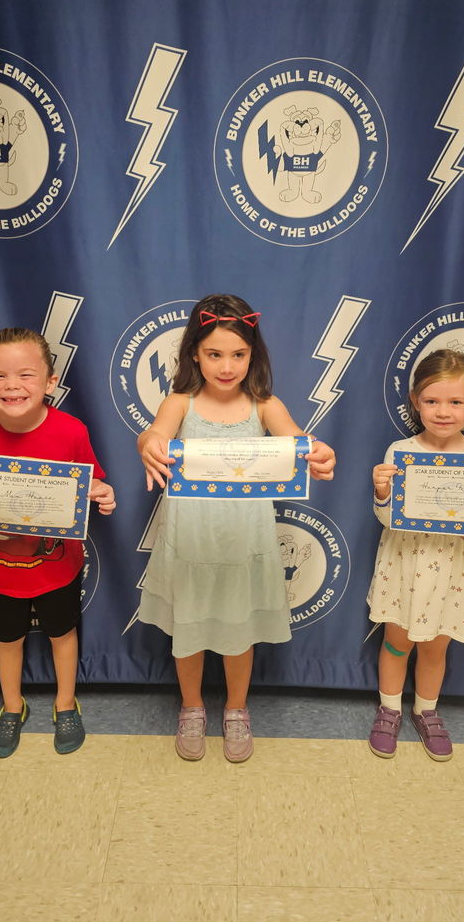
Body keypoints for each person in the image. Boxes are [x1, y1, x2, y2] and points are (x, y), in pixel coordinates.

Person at [137, 294, 336, 763]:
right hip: (190, 541)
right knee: (186, 629)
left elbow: (300, 442)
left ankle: (236, 710)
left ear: (253, 355)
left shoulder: (264, 405)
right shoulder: (179, 402)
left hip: (245, 543)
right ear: (194, 354)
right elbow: (154, 433)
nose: (227, 366)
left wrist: (319, 454)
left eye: (238, 354)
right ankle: (190, 707)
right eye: (214, 354)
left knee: (239, 631)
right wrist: (147, 443)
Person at [0, 328, 115, 758]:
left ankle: (65, 704)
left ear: (50, 383)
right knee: (7, 638)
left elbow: (94, 482)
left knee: (62, 633)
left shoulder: (71, 431)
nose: (12, 386)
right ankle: (12, 707)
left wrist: (104, 495)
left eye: (26, 375)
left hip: (59, 565)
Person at [367, 348, 464, 761]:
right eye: (432, 401)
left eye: (455, 402)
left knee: (436, 648)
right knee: (397, 641)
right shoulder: (398, 453)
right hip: (406, 565)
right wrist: (383, 492)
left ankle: (426, 710)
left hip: (454, 571)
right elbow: (388, 519)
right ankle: (388, 710)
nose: (443, 411)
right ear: (415, 402)